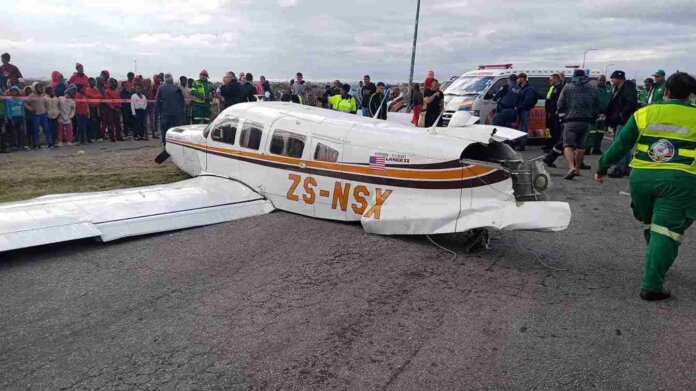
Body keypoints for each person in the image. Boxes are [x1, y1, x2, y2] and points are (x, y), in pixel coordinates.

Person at [594, 72, 696, 301]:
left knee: (651, 224)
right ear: (690, 96)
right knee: (666, 230)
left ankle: (656, 257)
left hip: (641, 179)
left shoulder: (644, 113)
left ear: (666, 91)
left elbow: (620, 145)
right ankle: (652, 284)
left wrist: (601, 167)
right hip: (680, 181)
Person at [555, 69, 598, 180]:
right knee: (581, 146)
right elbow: (597, 104)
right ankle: (578, 169)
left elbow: (560, 103)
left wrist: (562, 116)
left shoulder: (568, 87)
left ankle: (571, 167)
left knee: (568, 145)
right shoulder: (592, 88)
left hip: (571, 120)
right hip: (586, 121)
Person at [604, 70, 639, 178]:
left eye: (613, 78)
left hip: (623, 120)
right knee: (625, 144)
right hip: (618, 120)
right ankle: (627, 167)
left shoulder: (628, 88)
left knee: (619, 144)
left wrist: (621, 115)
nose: (612, 80)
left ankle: (619, 168)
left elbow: (630, 103)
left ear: (619, 79)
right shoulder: (618, 89)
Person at [586, 74, 612, 155]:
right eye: (600, 80)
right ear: (597, 80)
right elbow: (590, 103)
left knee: (600, 133)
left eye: (603, 80)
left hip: (604, 115)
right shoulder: (593, 90)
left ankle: (596, 148)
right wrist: (595, 113)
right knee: (592, 132)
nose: (602, 82)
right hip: (595, 115)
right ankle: (587, 148)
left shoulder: (608, 90)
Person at [156, 73, 185, 145]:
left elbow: (157, 101)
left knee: (165, 129)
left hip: (165, 113)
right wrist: (180, 111)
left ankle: (165, 143)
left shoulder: (161, 88)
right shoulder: (177, 88)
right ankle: (175, 143)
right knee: (175, 129)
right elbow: (182, 101)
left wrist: (159, 111)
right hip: (176, 113)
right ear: (172, 79)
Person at [515, 73, 537, 151]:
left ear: (523, 78)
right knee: (518, 127)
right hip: (520, 110)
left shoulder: (529, 89)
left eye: (519, 78)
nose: (518, 80)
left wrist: (520, 107)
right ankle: (518, 142)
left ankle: (522, 144)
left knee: (524, 127)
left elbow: (527, 101)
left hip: (524, 110)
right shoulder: (520, 87)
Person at [27, 82, 52, 149]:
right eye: (37, 87)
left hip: (43, 114)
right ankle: (37, 144)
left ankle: (50, 143)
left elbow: (46, 103)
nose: (39, 88)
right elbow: (24, 103)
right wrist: (30, 108)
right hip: (36, 115)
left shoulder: (43, 95)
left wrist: (46, 109)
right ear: (34, 88)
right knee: (36, 130)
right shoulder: (31, 96)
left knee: (46, 129)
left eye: (40, 87)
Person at [543, 73, 563, 152]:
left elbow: (557, 102)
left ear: (556, 79)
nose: (549, 81)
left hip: (555, 113)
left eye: (551, 79)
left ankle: (553, 147)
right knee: (548, 130)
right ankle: (548, 144)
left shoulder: (560, 88)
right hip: (549, 113)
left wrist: (555, 111)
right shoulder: (552, 88)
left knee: (555, 131)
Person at [5, 86, 29, 151]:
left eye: (15, 91)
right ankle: (13, 145)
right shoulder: (9, 100)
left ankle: (23, 145)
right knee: (13, 132)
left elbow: (22, 109)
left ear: (18, 92)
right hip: (13, 117)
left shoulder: (20, 100)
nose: (13, 92)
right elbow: (8, 109)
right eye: (12, 91)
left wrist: (24, 116)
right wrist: (9, 117)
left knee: (22, 131)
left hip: (20, 117)